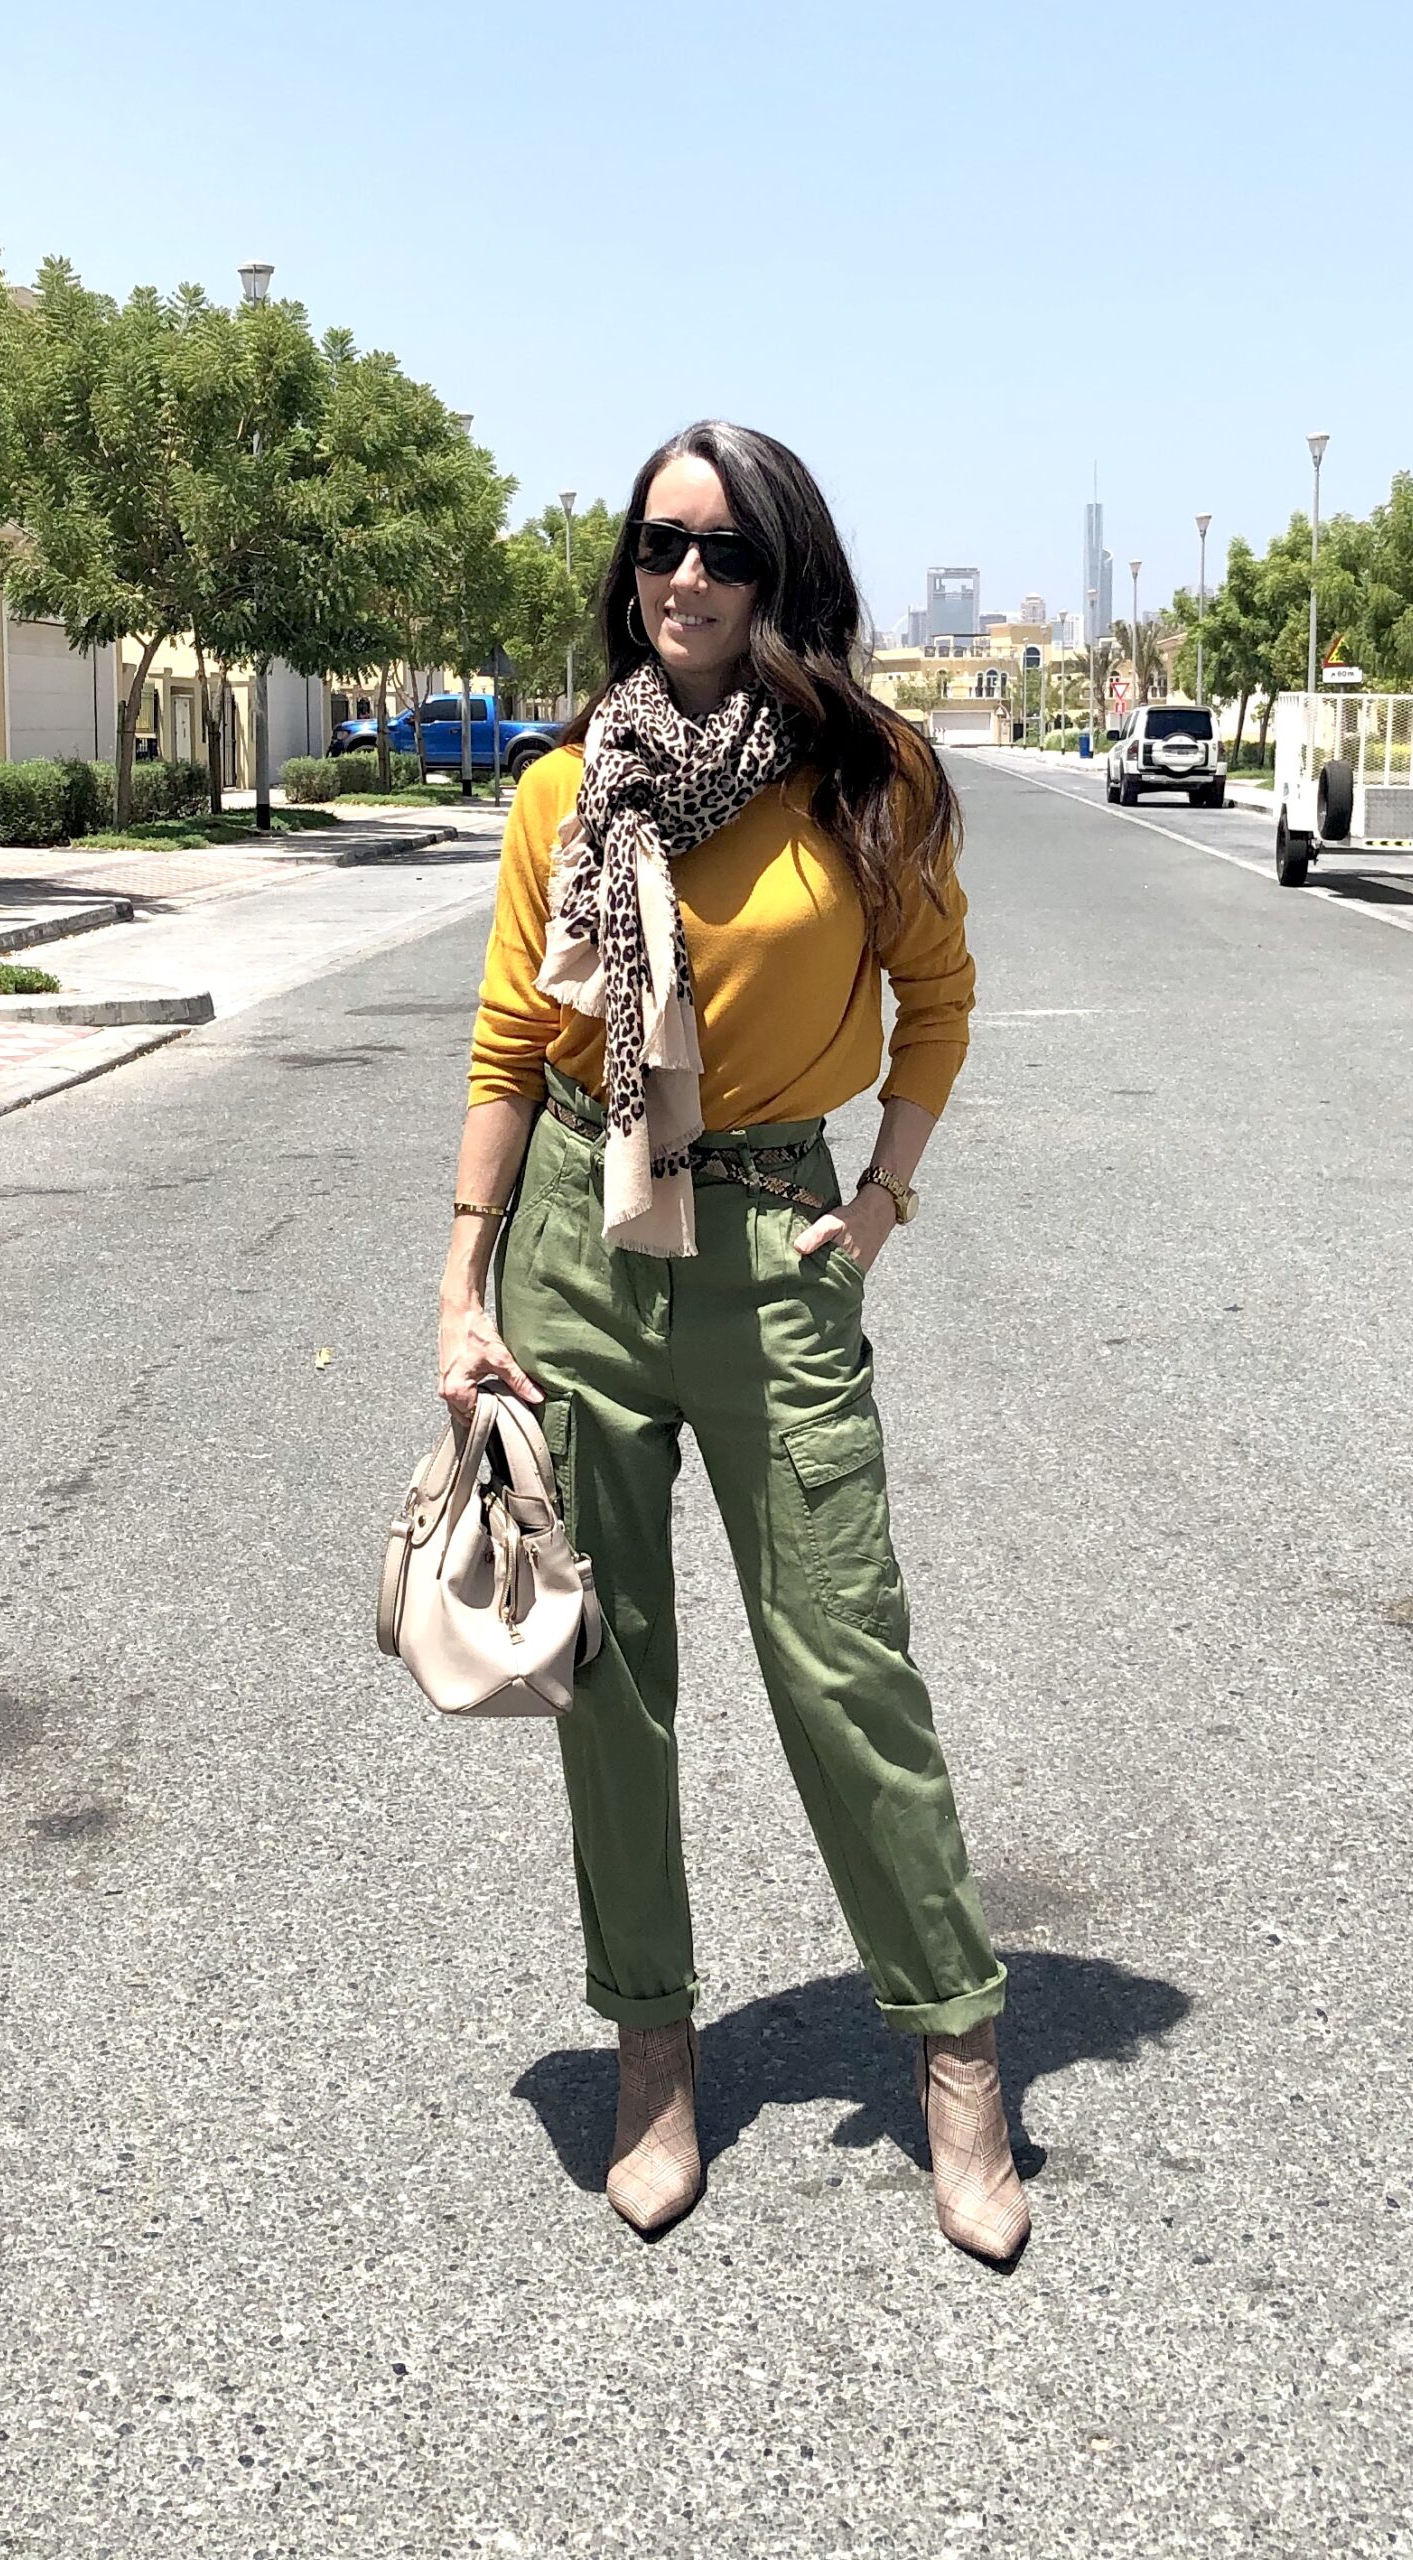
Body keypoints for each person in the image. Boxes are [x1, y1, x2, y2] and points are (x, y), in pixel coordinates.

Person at [438, 420, 1026, 2264]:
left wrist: (882, 1202)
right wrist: (459, 1286)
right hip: (579, 1255)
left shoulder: (875, 774)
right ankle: (655, 2051)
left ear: (785, 575)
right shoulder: (562, 792)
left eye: (718, 550)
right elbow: (506, 1049)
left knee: (845, 1659)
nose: (678, 577)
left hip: (774, 1233)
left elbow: (933, 1001)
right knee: (603, 1672)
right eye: (653, 545)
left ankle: (953, 2046)